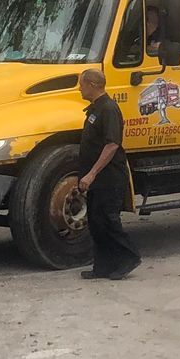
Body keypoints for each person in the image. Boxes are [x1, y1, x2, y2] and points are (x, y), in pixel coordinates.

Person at [75, 67, 140, 280]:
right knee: (96, 222)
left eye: (82, 84)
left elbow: (112, 145)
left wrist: (92, 174)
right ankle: (102, 266)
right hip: (96, 178)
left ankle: (128, 258)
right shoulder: (94, 109)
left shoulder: (109, 109)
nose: (79, 89)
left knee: (109, 221)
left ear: (93, 85)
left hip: (108, 177)